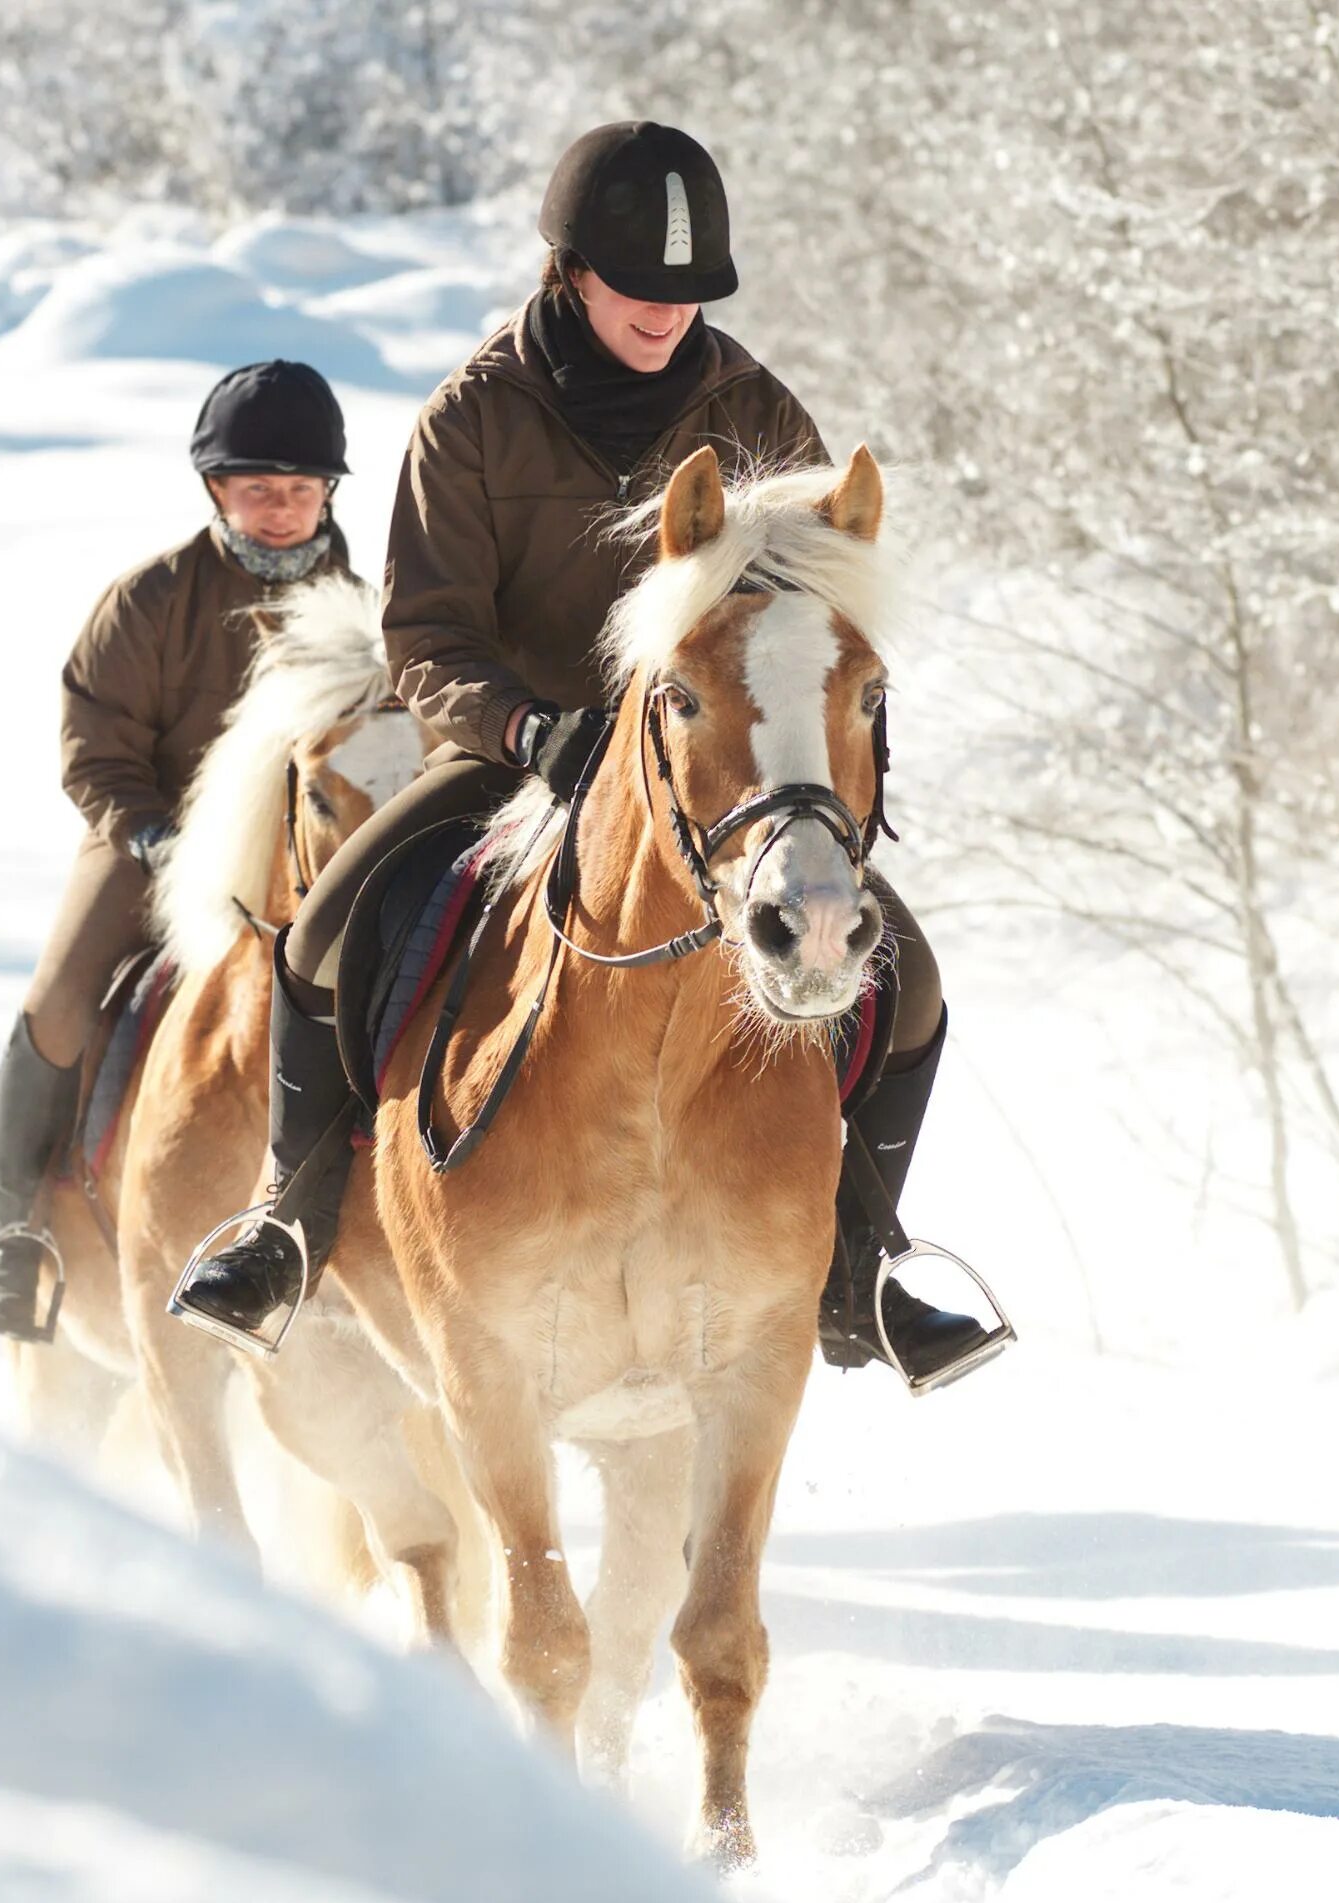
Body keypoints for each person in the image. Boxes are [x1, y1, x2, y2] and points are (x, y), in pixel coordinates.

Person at [171, 121, 1003, 1390]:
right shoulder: (474, 417)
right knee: (323, 934)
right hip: (517, 756)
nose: (669, 313)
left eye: (691, 291)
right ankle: (289, 1218)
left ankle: (862, 1263)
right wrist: (519, 727)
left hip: (715, 783)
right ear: (569, 272)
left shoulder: (753, 406)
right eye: (641, 286)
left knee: (915, 978)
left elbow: (808, 611)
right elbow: (425, 630)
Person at [0, 359, 357, 1334]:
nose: (279, 511)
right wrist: (153, 835)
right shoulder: (148, 601)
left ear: (327, 495)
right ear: (216, 490)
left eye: (299, 491)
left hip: (315, 856)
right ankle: (14, 1235)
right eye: (257, 491)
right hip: (154, 845)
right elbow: (94, 751)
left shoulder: (363, 610)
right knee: (60, 995)